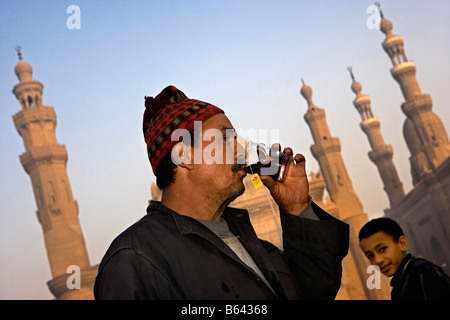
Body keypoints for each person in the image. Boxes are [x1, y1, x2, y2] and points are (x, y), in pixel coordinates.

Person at [94, 86, 349, 300]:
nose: (240, 152)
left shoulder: (250, 244)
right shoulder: (135, 261)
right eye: (225, 140)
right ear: (185, 156)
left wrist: (297, 208)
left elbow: (314, 292)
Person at [359, 217, 450, 300]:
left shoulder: (422, 273)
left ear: (402, 244)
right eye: (370, 256)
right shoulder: (400, 285)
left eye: (382, 249)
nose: (378, 260)